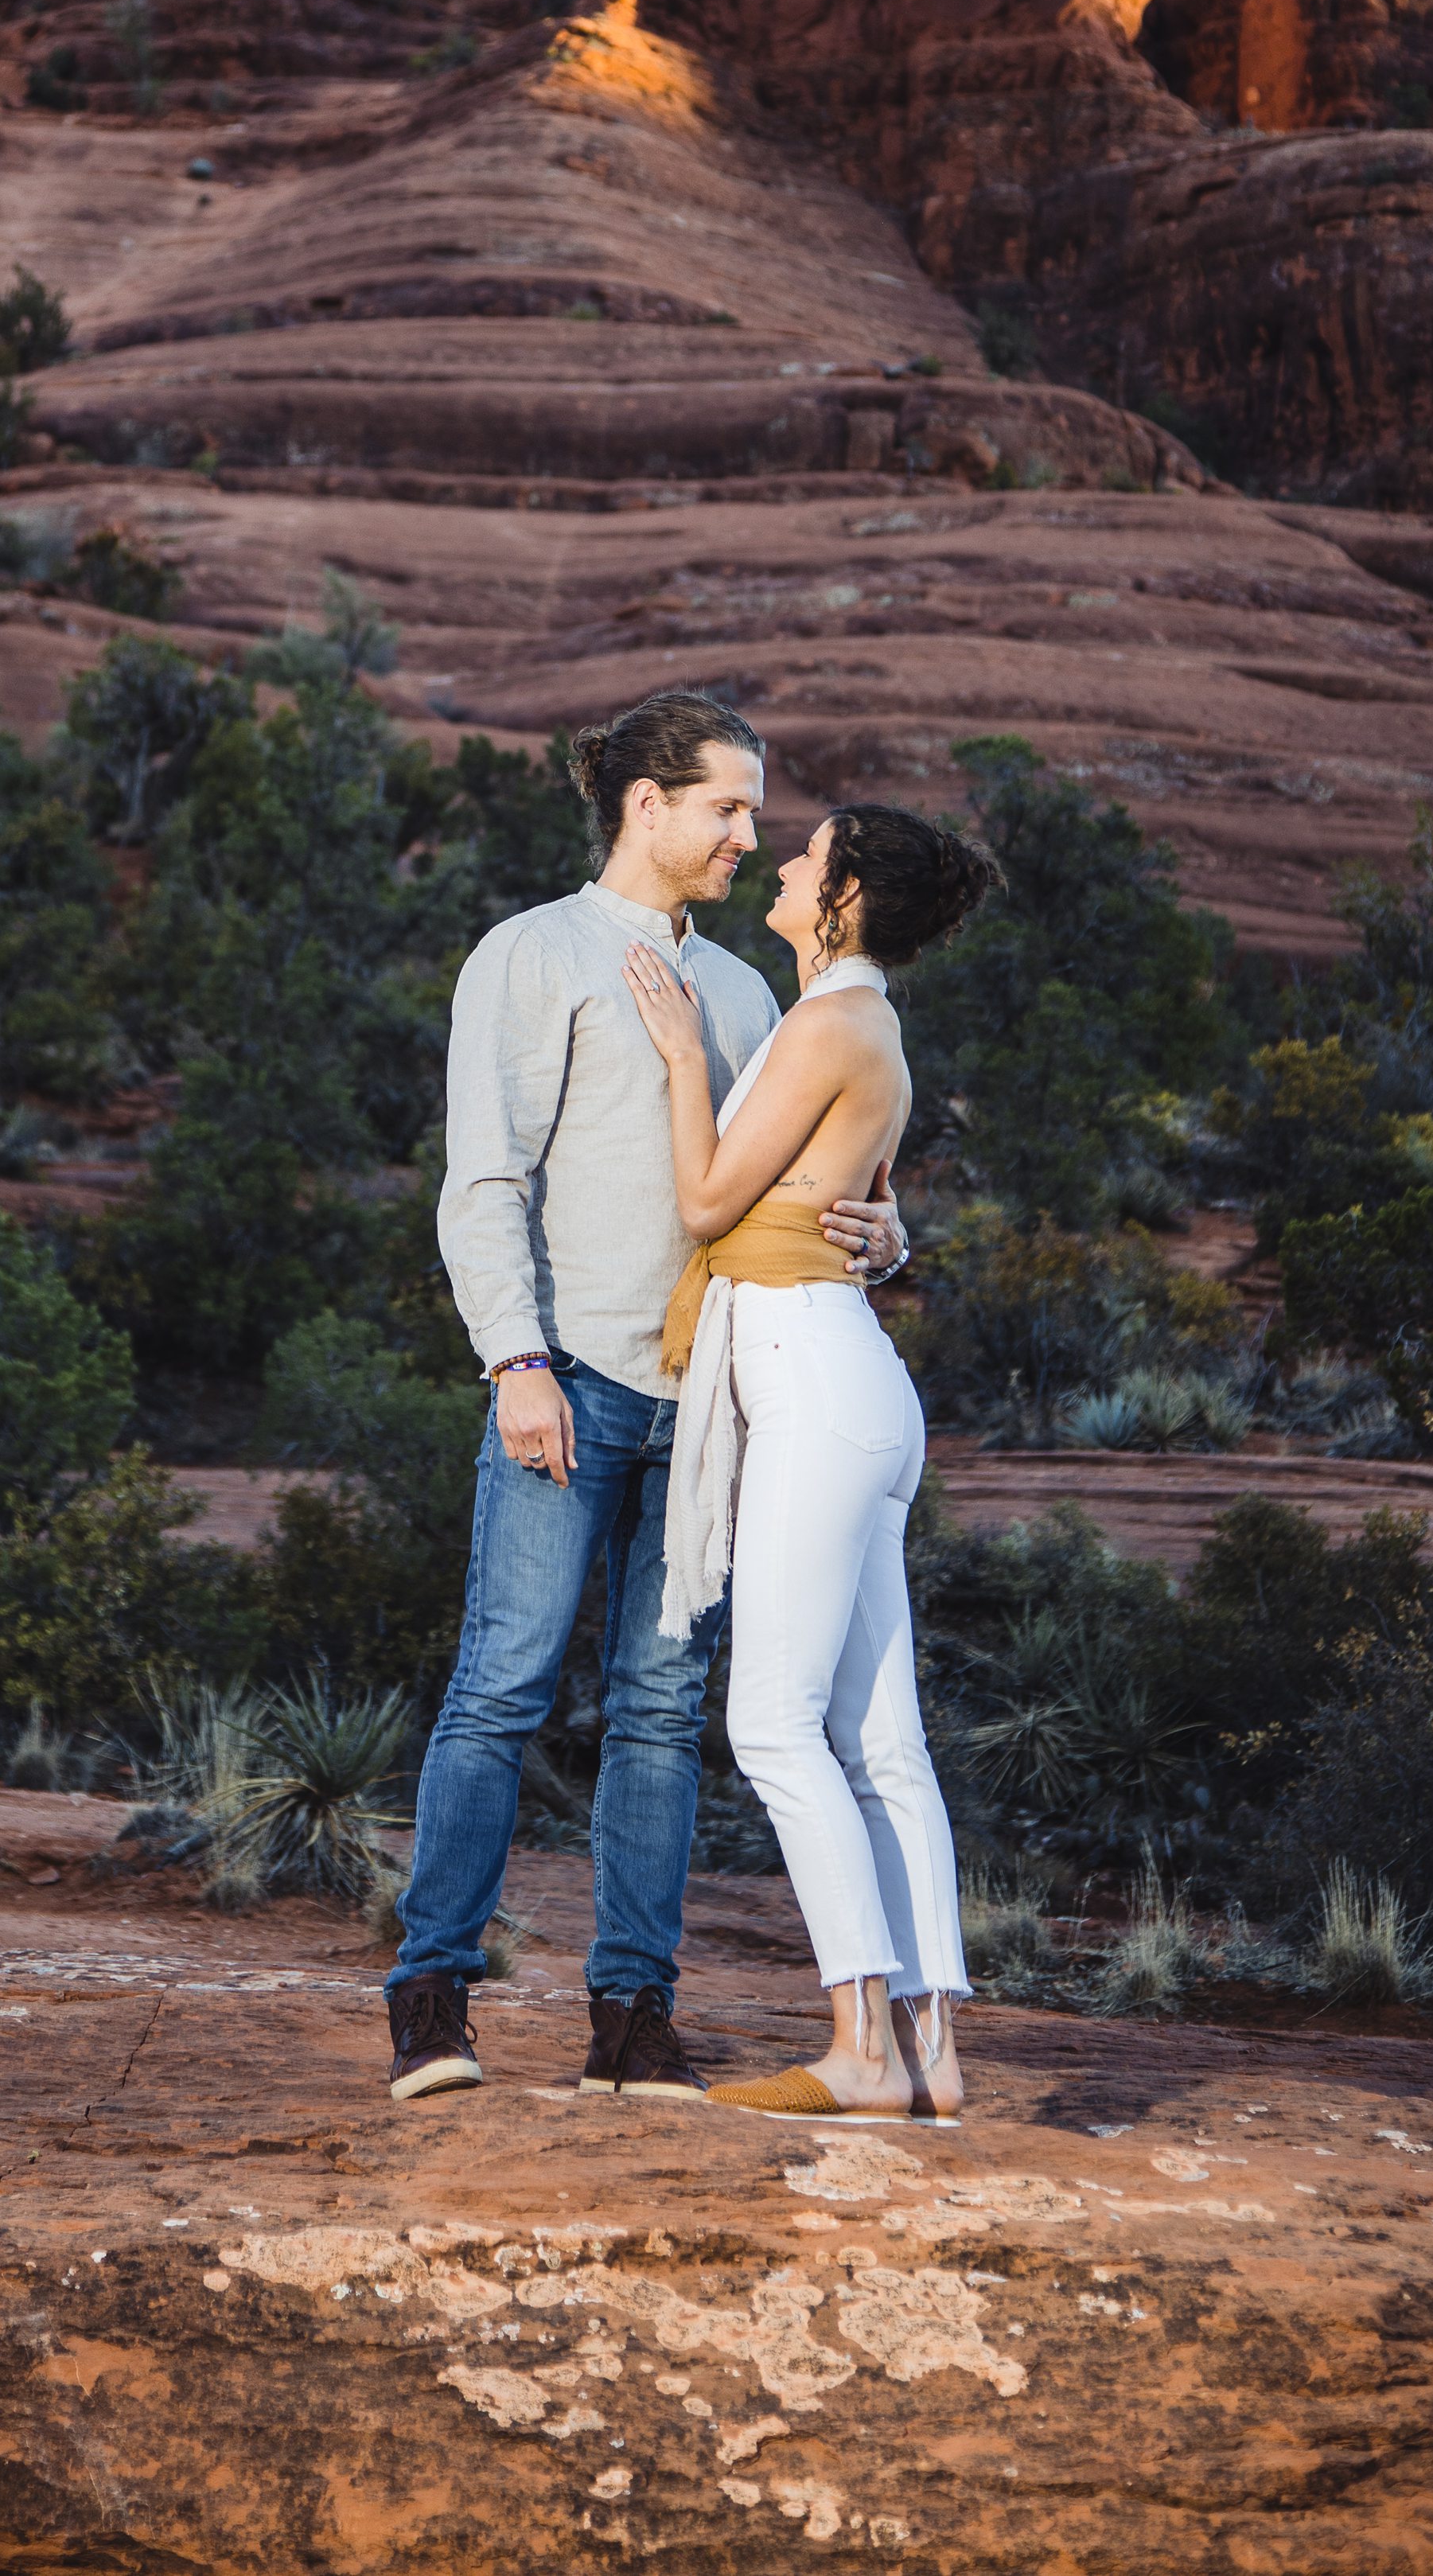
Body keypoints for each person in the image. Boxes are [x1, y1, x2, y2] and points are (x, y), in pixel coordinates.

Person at [383, 691, 912, 2104]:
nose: (752, 834)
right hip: (572, 1382)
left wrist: (886, 1229)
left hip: (717, 1406)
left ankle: (635, 2021)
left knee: (661, 1715)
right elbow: (482, 1178)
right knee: (500, 1691)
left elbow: (807, 1177)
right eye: (729, 807)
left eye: (755, 812)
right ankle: (431, 2001)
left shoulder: (747, 994)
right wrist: (516, 1360)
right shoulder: (533, 954)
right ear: (649, 808)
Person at [621, 804, 998, 2117]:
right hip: (854, 1382)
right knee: (879, 1737)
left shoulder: (831, 1021)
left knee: (774, 1725)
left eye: (806, 855)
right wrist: (884, 1239)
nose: (780, 863)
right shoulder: (868, 1021)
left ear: (838, 900)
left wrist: (680, 1055)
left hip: (811, 1372)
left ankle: (861, 2051)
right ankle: (935, 2056)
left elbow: (709, 1203)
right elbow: (845, 1212)